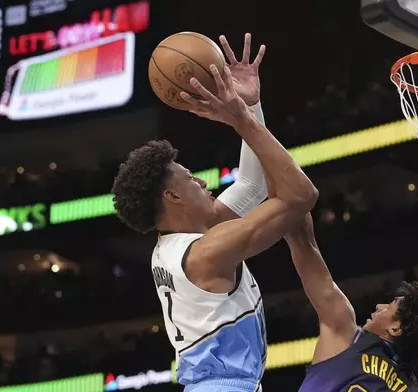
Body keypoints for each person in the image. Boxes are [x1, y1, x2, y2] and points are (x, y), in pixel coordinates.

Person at [112, 34, 318, 392]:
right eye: (191, 178)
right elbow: (301, 195)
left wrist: (249, 106)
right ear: (172, 195)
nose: (204, 183)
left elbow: (251, 186)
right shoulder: (207, 252)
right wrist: (240, 119)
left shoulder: (180, 244)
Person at [284, 213, 418, 392]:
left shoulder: (347, 336)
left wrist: (295, 201)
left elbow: (304, 244)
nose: (379, 306)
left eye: (389, 306)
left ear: (395, 328)